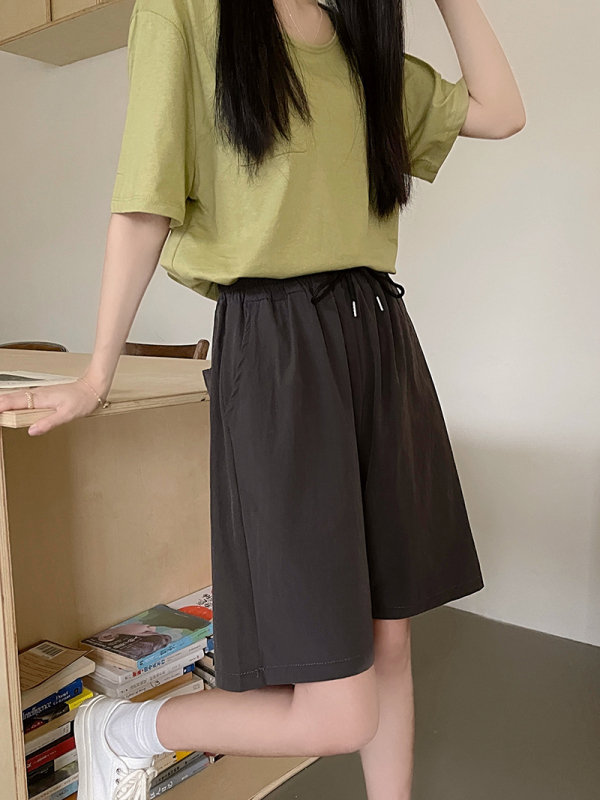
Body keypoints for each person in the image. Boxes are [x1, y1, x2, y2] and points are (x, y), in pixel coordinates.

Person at [0, 0, 525, 798]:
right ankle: (122, 728)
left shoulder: (358, 43)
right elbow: (145, 201)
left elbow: (501, 111)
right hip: (280, 351)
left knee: (390, 644)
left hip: (380, 339)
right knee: (340, 715)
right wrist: (98, 371)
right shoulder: (186, 13)